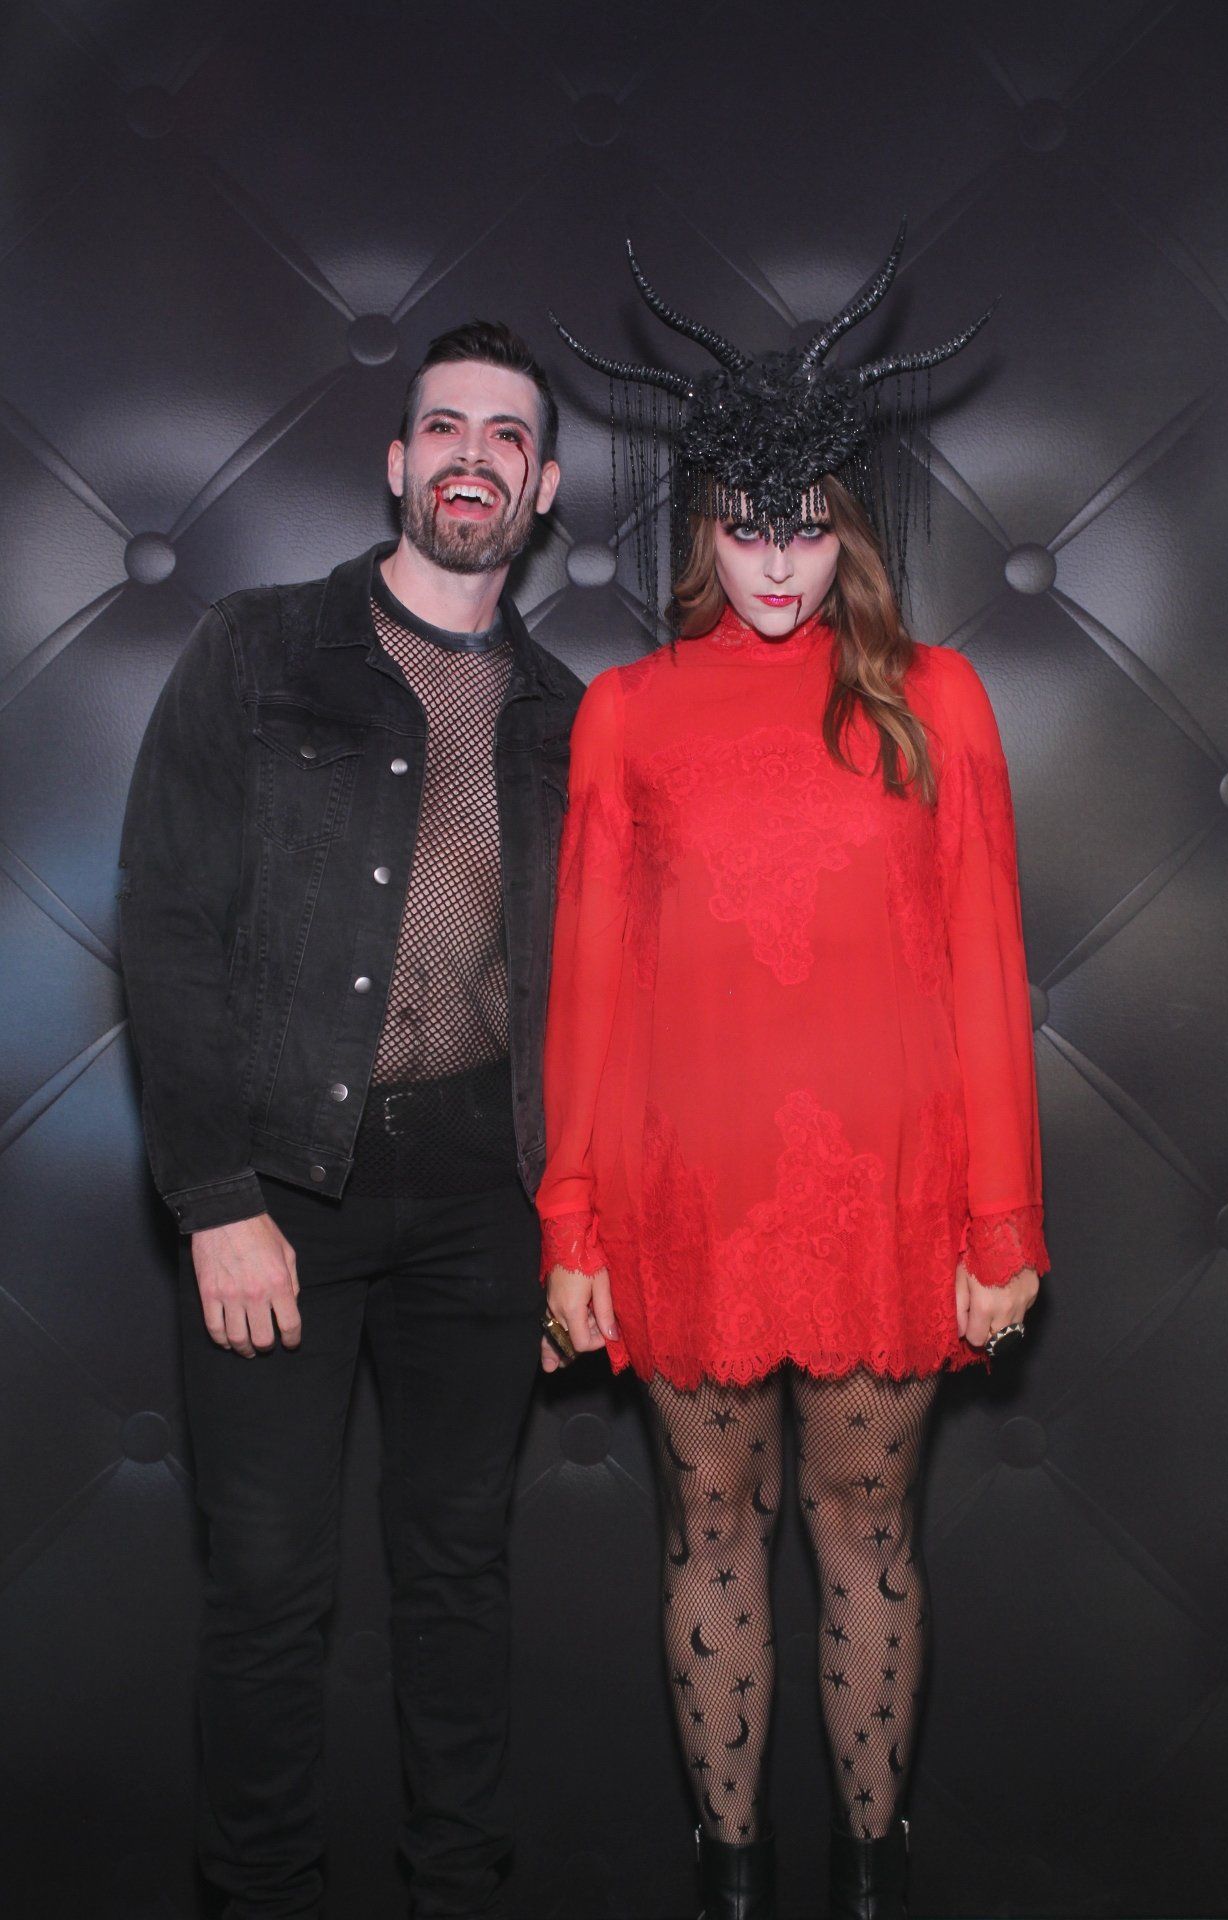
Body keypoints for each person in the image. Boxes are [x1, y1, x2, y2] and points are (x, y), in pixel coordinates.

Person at [534, 224, 1050, 1920]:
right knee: (710, 1535)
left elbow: (986, 968)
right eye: (747, 526)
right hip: (687, 1199)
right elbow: (590, 989)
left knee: (866, 1538)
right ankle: (733, 1879)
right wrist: (571, 1224)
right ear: (704, 522)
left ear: (849, 526)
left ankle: (870, 1881)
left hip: (888, 1199)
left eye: (807, 525)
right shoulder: (627, 713)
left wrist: (1003, 1221)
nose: (775, 562)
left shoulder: (938, 699)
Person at [117, 320, 583, 1920]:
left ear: (543, 487)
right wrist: (215, 1197)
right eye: (445, 426)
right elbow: (167, 925)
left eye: (507, 436)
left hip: (484, 1198)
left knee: (460, 1577)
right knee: (267, 1588)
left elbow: (596, 986)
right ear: (397, 463)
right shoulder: (258, 649)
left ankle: (459, 1889)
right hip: (281, 1191)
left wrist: (572, 1220)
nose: (474, 456)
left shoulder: (565, 714)